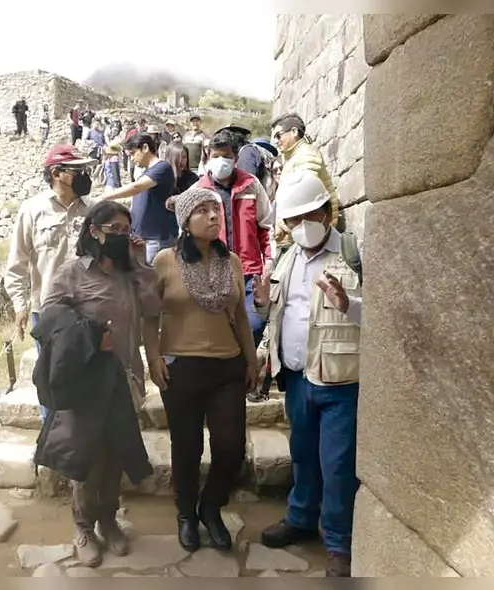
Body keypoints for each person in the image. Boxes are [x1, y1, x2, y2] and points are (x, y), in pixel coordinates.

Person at [35, 200, 159, 567]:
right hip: (87, 381)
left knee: (117, 452)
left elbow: (152, 308)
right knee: (86, 458)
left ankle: (109, 520)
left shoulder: (129, 272)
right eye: (114, 230)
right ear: (95, 231)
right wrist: (89, 337)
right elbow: (50, 320)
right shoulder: (71, 272)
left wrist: (139, 264)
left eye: (126, 229)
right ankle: (83, 527)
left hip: (126, 378)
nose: (121, 236)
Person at [253, 171, 363, 578]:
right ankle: (300, 519)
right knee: (302, 455)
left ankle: (338, 542)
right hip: (297, 379)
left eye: (308, 216)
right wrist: (263, 305)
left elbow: (380, 316)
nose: (301, 226)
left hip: (340, 381)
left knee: (337, 464)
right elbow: (277, 314)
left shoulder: (352, 253)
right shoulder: (286, 258)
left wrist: (347, 303)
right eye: (293, 221)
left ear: (327, 211)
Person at [143, 186, 259, 553]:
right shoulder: (165, 260)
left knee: (231, 447)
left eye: (216, 210)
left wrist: (251, 360)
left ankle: (210, 507)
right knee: (187, 448)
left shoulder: (233, 262)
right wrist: (153, 358)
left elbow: (240, 316)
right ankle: (185, 515)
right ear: (185, 222)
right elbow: (149, 317)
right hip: (182, 368)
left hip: (227, 365)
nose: (213, 216)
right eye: (203, 211)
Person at [4, 145, 97, 420]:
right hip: (48, 311)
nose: (84, 175)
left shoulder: (93, 210)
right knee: (52, 380)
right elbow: (17, 263)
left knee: (91, 376)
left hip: (90, 308)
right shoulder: (32, 210)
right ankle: (54, 441)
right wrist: (20, 306)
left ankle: (87, 440)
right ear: (57, 174)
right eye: (77, 170)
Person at [188, 130, 273, 399]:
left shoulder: (251, 185)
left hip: (249, 271)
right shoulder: (199, 190)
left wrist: (268, 260)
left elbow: (266, 226)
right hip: (214, 271)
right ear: (208, 157)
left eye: (226, 156)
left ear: (236, 158)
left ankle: (242, 370)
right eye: (216, 156)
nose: (221, 161)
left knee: (256, 323)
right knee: (220, 328)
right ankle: (232, 381)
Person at [100, 134, 177, 265]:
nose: (132, 159)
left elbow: (136, 187)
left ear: (145, 148)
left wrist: (104, 197)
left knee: (152, 277)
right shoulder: (147, 172)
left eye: (133, 153)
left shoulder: (162, 168)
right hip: (141, 237)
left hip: (155, 238)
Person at [270, 113, 340, 251]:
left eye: (279, 135)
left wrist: (282, 225)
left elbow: (302, 199)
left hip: (314, 233)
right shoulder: (294, 157)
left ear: (294, 132)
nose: (277, 141)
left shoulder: (306, 155)